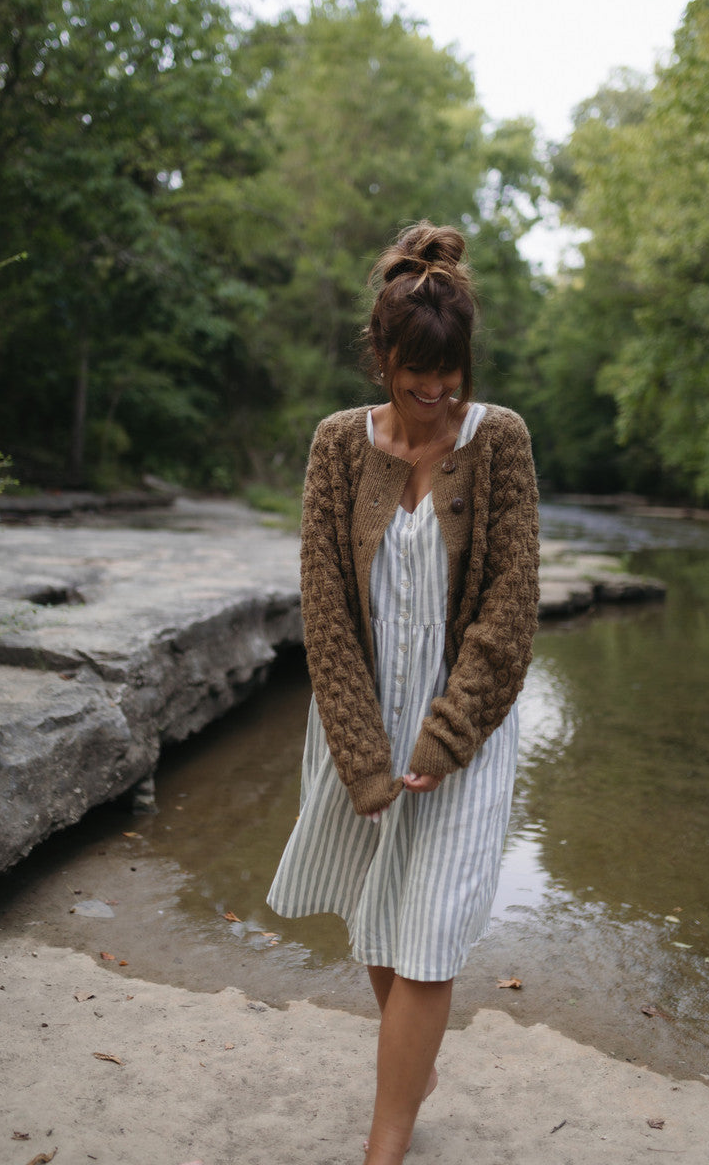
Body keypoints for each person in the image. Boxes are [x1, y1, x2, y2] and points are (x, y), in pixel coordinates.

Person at [267, 220, 540, 1164]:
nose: (433, 395)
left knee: (426, 935)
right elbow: (326, 608)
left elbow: (509, 603)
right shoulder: (338, 447)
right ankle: (410, 1068)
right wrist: (366, 754)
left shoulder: (497, 440)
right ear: (381, 358)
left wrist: (443, 737)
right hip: (359, 719)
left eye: (449, 376)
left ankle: (384, 1147)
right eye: (414, 374)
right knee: (380, 921)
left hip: (464, 727)